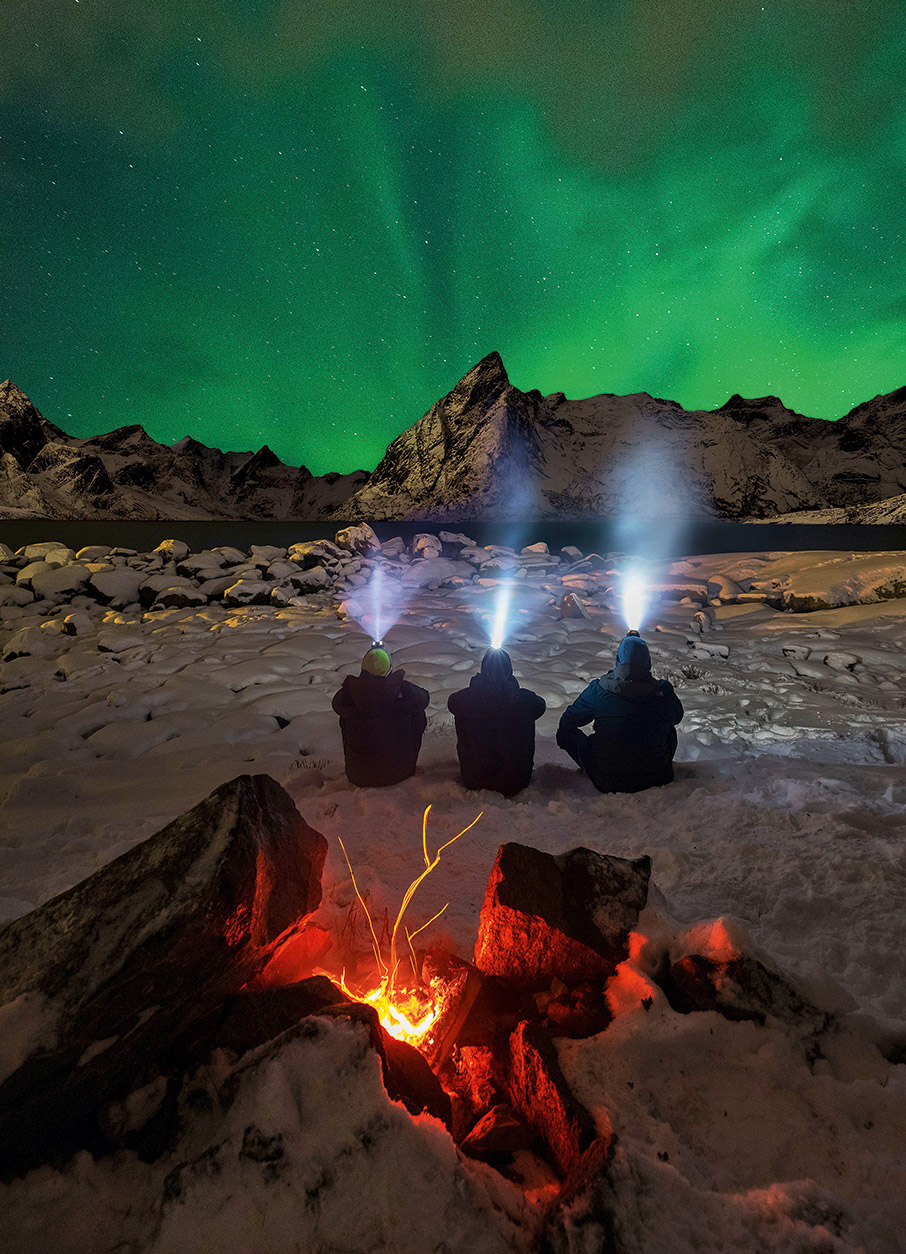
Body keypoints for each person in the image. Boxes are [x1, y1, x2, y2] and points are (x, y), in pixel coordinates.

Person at [556, 632, 683, 793]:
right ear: (648, 662)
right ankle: (653, 763)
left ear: (618, 660)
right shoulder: (663, 690)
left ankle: (601, 764)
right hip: (657, 777)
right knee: (669, 728)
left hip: (607, 780)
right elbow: (677, 717)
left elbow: (568, 721)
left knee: (566, 734)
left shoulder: (599, 689)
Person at [447, 647, 546, 796]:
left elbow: (452, 703)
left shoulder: (465, 699)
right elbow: (540, 706)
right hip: (516, 781)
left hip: (474, 779)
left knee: (464, 716)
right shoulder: (524, 700)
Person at [332, 646, 429, 787]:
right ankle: (404, 758)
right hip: (399, 773)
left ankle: (358, 762)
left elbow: (337, 703)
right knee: (418, 713)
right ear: (389, 669)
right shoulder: (401, 690)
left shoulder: (351, 692)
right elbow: (424, 699)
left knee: (346, 717)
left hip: (357, 776)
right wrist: (402, 687)